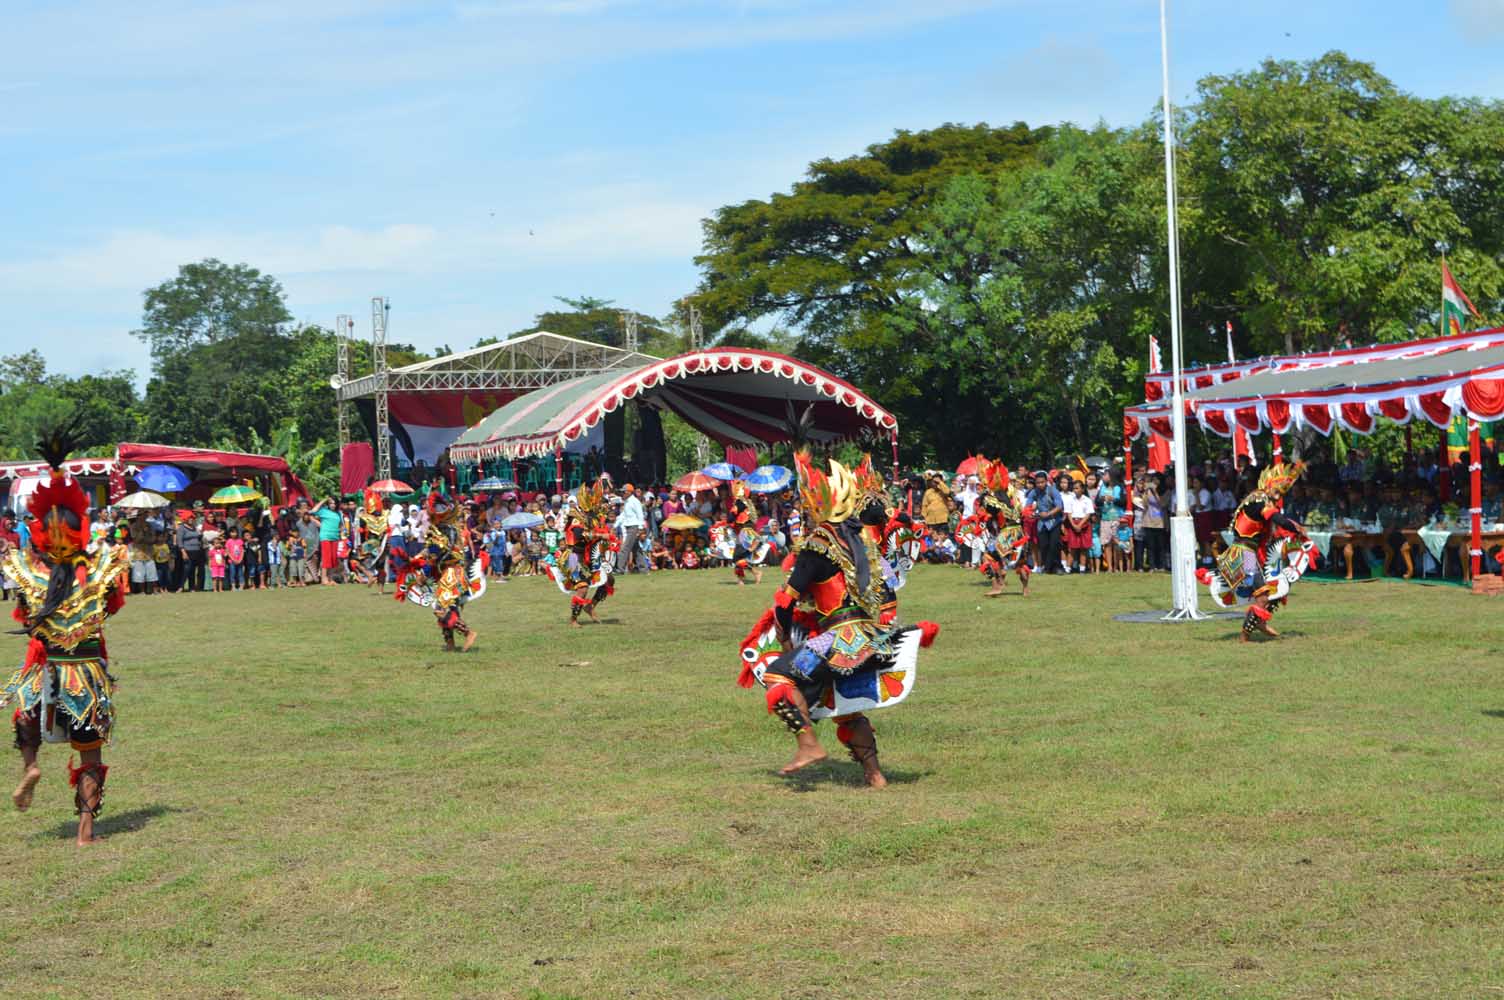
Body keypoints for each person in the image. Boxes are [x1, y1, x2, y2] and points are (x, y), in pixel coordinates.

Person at [738, 453, 938, 788]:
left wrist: (784, 638)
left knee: (777, 674)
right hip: (870, 637)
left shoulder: (818, 543)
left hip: (837, 641)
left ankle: (808, 745)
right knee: (845, 707)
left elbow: (785, 602)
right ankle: (875, 776)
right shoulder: (861, 541)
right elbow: (886, 593)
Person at [3, 432, 129, 844]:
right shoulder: (99, 572)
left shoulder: (31, 575)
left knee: (25, 718)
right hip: (86, 674)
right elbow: (113, 606)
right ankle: (85, 832)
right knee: (89, 751)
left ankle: (31, 766)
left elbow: (24, 618)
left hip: (46, 670)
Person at [1197, 460, 1316, 641]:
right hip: (1245, 554)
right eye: (1277, 491)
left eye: (1281, 493)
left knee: (1275, 589)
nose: (1278, 496)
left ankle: (1258, 623)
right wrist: (1296, 528)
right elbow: (1277, 519)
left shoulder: (1257, 499)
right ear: (1268, 484)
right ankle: (1246, 634)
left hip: (1247, 552)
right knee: (1263, 593)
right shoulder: (1259, 500)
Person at [1026, 472, 1063, 575]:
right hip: (1041, 523)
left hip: (1054, 522)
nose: (1040, 484)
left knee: (1054, 545)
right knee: (1043, 545)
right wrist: (1032, 513)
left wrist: (1048, 514)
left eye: (1042, 482)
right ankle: (1047, 567)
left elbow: (1059, 506)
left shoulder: (1053, 491)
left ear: (1046, 481)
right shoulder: (1033, 492)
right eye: (1038, 483)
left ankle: (1058, 567)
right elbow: (1027, 506)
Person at [1062, 477, 1095, 574]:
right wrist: (1073, 524)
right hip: (1073, 523)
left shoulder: (1087, 500)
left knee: (1083, 548)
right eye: (1074, 488)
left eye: (1077, 488)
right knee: (1072, 547)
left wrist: (1080, 524)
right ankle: (1068, 568)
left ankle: (1082, 568)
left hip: (1084, 524)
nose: (1075, 490)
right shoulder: (1070, 499)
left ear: (1082, 489)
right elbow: (1069, 513)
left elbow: (1088, 514)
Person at [613, 483, 647, 574]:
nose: (622, 494)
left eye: (623, 492)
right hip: (629, 527)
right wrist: (615, 525)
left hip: (634, 527)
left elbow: (640, 514)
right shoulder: (627, 502)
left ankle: (620, 569)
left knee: (625, 548)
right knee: (636, 549)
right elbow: (623, 515)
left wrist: (640, 528)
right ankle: (644, 569)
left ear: (629, 492)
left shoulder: (635, 501)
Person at [311, 497, 342, 586]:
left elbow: (340, 525)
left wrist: (340, 531)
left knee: (333, 559)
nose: (333, 505)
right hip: (325, 536)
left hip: (335, 537)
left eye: (334, 503)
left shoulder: (338, 513)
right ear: (328, 504)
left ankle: (330, 578)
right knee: (326, 558)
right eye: (331, 503)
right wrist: (324, 500)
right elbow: (313, 511)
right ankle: (324, 579)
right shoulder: (324, 511)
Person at [176, 514, 206, 592]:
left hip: (197, 551)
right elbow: (179, 541)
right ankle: (180, 586)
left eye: (192, 518)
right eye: (189, 518)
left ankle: (192, 587)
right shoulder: (181, 528)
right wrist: (183, 552)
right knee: (187, 569)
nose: (191, 519)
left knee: (193, 570)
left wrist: (200, 534)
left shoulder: (195, 528)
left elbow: (199, 537)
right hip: (187, 551)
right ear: (185, 519)